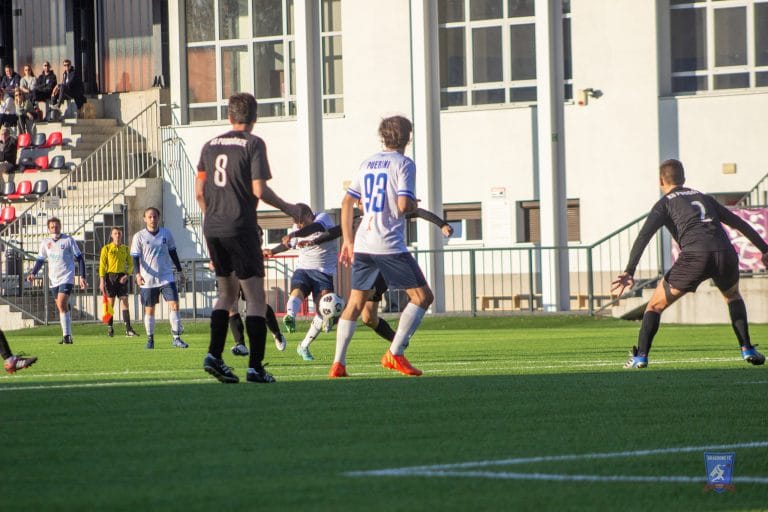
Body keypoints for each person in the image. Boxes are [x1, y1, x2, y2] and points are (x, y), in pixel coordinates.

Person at [611, 159, 768, 369]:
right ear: (683, 179)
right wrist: (764, 249)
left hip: (696, 256)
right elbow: (739, 223)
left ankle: (640, 357)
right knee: (732, 296)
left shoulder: (664, 203)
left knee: (655, 306)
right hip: (725, 254)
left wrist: (629, 271)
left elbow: (643, 237)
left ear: (660, 180)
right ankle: (747, 348)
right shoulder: (704, 197)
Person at [196, 92, 300, 384]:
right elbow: (259, 190)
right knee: (255, 297)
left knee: (226, 295)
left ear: (229, 117)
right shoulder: (253, 144)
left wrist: (214, 217)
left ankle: (214, 356)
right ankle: (255, 367)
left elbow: (200, 193)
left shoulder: (209, 146)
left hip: (213, 228)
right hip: (241, 227)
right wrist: (288, 208)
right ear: (255, 118)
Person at [330, 115, 433, 378]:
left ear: (382, 137)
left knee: (355, 303)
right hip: (387, 243)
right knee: (422, 297)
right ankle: (395, 354)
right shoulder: (404, 164)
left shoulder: (367, 163)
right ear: (408, 138)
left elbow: (346, 203)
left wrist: (348, 241)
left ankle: (338, 364)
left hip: (363, 241)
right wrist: (413, 205)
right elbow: (402, 206)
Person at [299, 207, 453, 346]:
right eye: (359, 200)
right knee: (368, 318)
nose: (361, 203)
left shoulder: (389, 212)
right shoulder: (358, 220)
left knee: (357, 304)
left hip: (386, 264)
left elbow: (417, 211)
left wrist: (442, 224)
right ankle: (399, 343)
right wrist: (313, 241)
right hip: (368, 268)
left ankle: (333, 319)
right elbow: (335, 232)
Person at [264, 203, 339, 362]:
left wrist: (295, 233)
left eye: (301, 222)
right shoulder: (297, 228)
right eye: (296, 223)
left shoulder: (323, 218)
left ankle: (303, 346)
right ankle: (290, 315)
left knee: (324, 311)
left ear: (308, 215)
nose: (298, 225)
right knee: (297, 291)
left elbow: (315, 228)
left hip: (323, 271)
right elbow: (288, 245)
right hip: (303, 268)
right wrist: (273, 251)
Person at [130, 207, 187, 349]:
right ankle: (150, 339)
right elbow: (135, 257)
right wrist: (137, 274)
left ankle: (176, 338)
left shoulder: (166, 234)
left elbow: (173, 252)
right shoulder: (139, 236)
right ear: (144, 219)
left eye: (155, 216)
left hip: (166, 277)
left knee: (174, 305)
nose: (153, 219)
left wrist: (180, 271)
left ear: (158, 218)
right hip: (148, 279)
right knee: (150, 310)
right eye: (149, 217)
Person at [27, 217, 87, 344]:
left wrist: (82, 277)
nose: (55, 229)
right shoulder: (45, 242)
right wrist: (33, 273)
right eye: (52, 227)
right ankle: (68, 335)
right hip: (53, 279)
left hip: (67, 277)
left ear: (60, 227)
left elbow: (80, 258)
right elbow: (40, 260)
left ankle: (66, 336)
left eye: (57, 226)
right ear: (48, 229)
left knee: (61, 303)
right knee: (62, 307)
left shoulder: (68, 240)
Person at [99, 227, 138, 338]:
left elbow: (130, 264)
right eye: (115, 233)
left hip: (121, 277)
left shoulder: (125, 249)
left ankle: (128, 329)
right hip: (110, 277)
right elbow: (102, 265)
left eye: (119, 233)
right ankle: (110, 328)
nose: (117, 235)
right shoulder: (106, 249)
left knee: (124, 302)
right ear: (112, 235)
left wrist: (127, 275)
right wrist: (102, 281)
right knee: (110, 304)